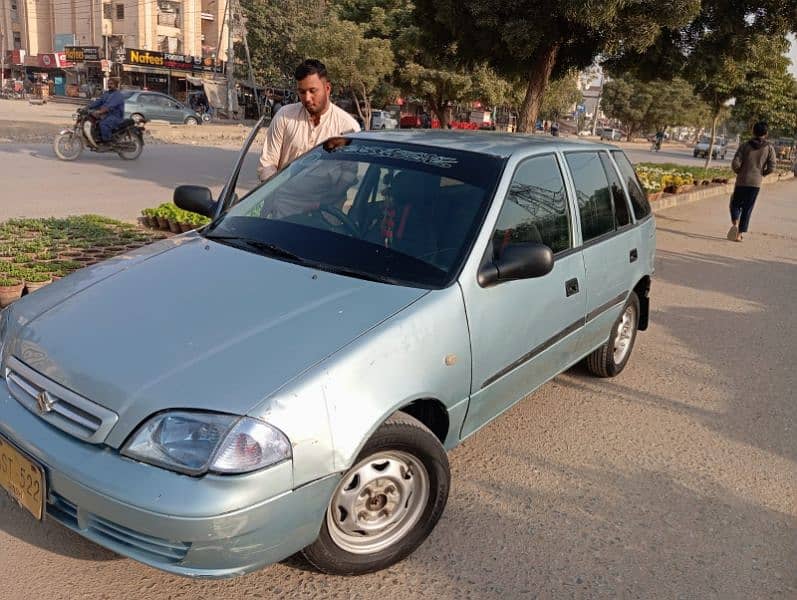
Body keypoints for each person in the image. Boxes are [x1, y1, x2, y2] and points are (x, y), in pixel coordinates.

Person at [257, 60, 360, 182]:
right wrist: (273, 189)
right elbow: (267, 164)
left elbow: (348, 175)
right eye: (302, 92)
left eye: (313, 91)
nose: (307, 98)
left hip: (326, 199)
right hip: (283, 198)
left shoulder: (347, 127)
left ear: (327, 89)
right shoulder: (284, 116)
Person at [727, 121, 776, 242]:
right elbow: (772, 167)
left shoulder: (744, 145)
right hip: (755, 183)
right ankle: (739, 234)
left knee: (735, 203)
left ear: (753, 131)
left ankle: (735, 222)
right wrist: (761, 174)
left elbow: (735, 163)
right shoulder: (769, 148)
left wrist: (739, 171)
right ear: (766, 133)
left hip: (742, 181)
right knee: (748, 208)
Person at [87, 77, 124, 142]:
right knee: (93, 120)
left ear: (116, 85)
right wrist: (88, 106)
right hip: (106, 115)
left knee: (103, 124)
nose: (109, 85)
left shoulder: (118, 95)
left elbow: (109, 107)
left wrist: (100, 112)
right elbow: (99, 101)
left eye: (111, 84)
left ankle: (108, 141)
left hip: (115, 116)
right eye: (108, 84)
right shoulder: (106, 93)